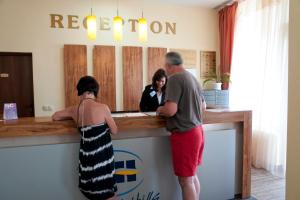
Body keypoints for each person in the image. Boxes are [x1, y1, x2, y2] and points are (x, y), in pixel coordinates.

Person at [52, 76, 118, 200]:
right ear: (94, 91)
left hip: (87, 160)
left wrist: (71, 116)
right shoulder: (103, 108)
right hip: (102, 159)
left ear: (81, 91)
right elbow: (114, 130)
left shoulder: (75, 110)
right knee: (109, 194)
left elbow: (55, 116)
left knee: (93, 193)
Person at [156, 52, 206, 200]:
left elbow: (171, 110)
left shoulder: (175, 79)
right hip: (198, 131)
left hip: (185, 134)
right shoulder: (193, 78)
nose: (165, 69)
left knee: (186, 181)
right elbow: (203, 106)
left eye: (166, 66)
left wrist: (160, 109)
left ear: (170, 65)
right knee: (191, 176)